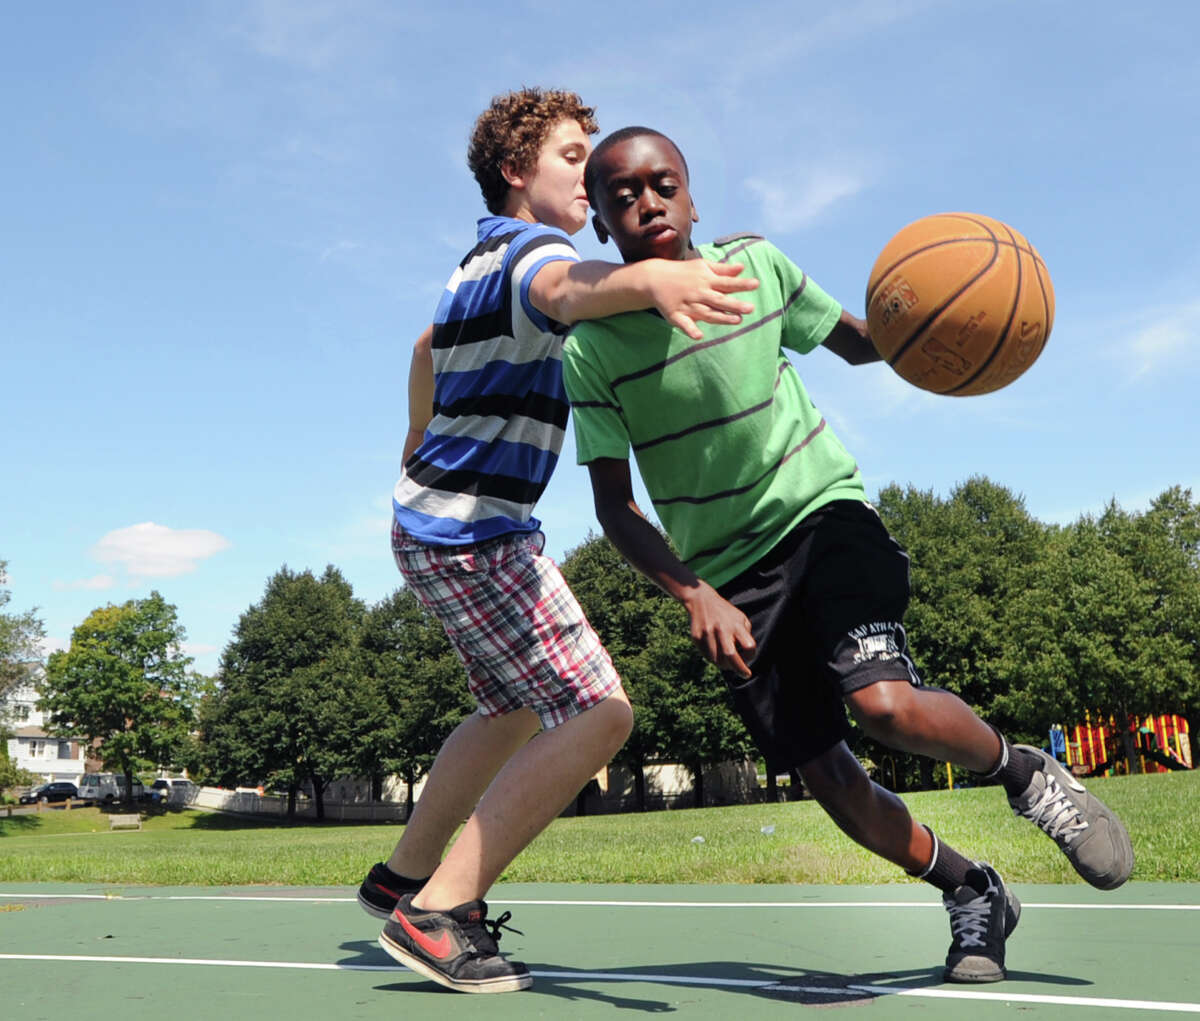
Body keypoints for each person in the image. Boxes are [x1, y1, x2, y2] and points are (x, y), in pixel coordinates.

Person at [561, 126, 1134, 984]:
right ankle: (972, 887)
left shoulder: (757, 268)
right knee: (829, 776)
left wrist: (945, 323)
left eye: (662, 184)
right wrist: (692, 594)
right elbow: (614, 506)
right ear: (601, 225)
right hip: (729, 579)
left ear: (692, 196)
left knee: (885, 705)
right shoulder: (592, 349)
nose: (646, 202)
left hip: (826, 518)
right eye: (622, 195)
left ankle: (1024, 772)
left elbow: (863, 343)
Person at [360, 92, 759, 994]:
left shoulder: (472, 262)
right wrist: (651, 280)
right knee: (600, 710)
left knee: (507, 707)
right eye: (575, 157)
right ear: (516, 172)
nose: (594, 172)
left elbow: (427, 343)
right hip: (477, 535)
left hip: (431, 523)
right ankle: (437, 914)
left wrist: (415, 435)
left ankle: (402, 876)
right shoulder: (538, 251)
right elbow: (566, 289)